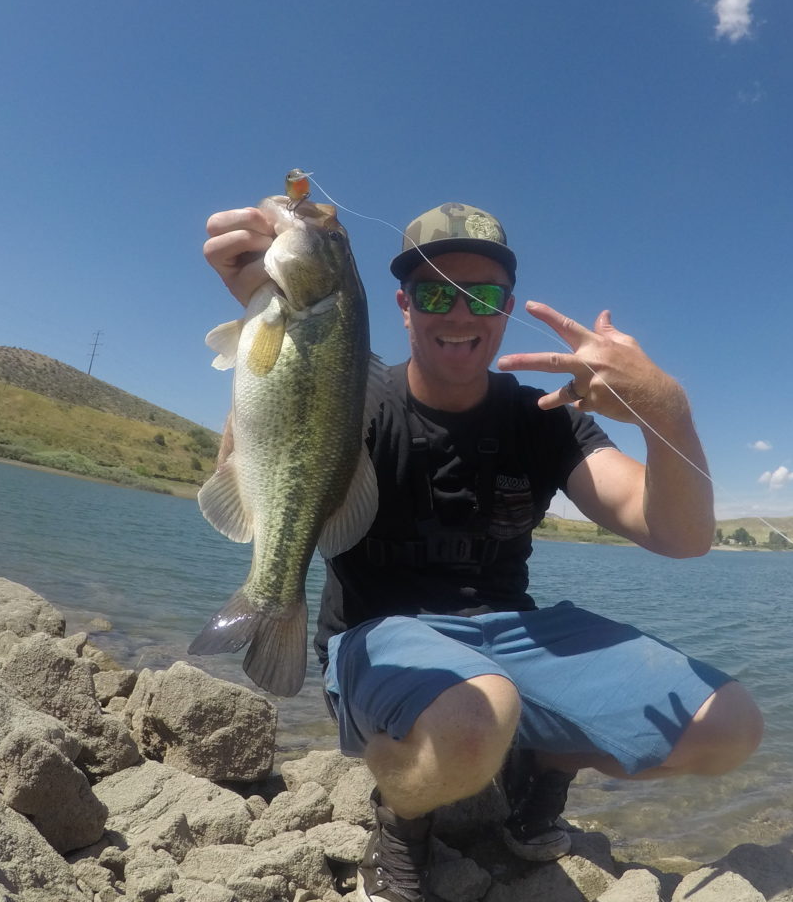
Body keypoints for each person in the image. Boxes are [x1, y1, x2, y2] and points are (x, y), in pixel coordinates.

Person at [203, 200, 762, 902]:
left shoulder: (546, 419)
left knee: (729, 727)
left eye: (485, 296)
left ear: (506, 311)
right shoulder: (354, 393)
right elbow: (254, 461)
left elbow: (683, 536)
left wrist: (665, 410)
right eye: (437, 292)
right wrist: (263, 302)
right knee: (473, 716)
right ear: (404, 306)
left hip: (511, 633)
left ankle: (542, 764)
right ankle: (401, 821)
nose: (460, 314)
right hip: (378, 635)